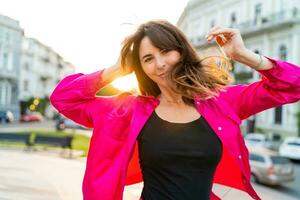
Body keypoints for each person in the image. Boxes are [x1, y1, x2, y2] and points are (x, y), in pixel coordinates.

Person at [50, 20, 300, 200]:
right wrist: (115, 70)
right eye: (147, 58)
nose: (159, 64)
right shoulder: (128, 110)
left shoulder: (222, 101)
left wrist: (244, 55)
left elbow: (292, 86)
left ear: (180, 51)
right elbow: (64, 98)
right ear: (140, 67)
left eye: (165, 51)